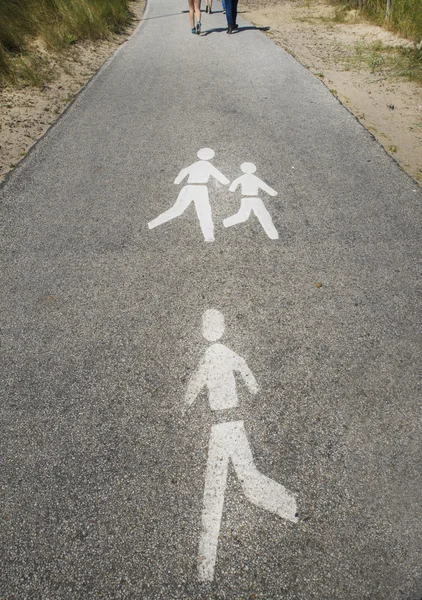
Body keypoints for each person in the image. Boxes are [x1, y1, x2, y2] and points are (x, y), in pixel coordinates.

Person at [185, 309, 298, 582]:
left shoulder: (213, 354)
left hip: (224, 426)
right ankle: (205, 564)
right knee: (233, 482)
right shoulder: (222, 353)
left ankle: (289, 504)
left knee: (226, 486)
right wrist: (255, 388)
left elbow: (198, 380)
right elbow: (243, 367)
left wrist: (186, 402)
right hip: (228, 425)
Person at [148, 148, 229, 242]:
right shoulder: (207, 165)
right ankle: (208, 235)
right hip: (201, 189)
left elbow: (183, 171)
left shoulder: (194, 164)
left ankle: (153, 223)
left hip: (189, 187)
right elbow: (217, 174)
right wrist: (225, 182)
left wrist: (177, 181)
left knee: (178, 209)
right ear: (210, 157)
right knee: (204, 211)